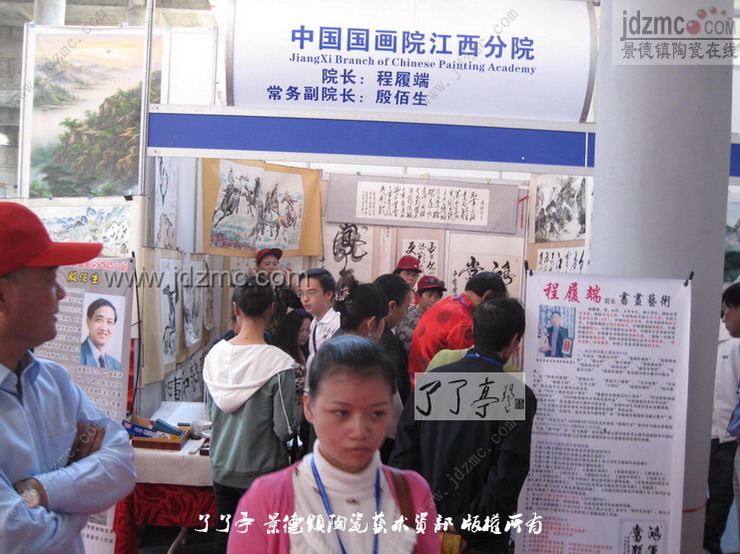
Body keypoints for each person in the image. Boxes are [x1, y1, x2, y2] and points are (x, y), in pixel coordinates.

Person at [0, 202, 135, 553]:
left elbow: (121, 460)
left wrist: (40, 491)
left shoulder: (54, 382)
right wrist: (78, 505)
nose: (61, 293)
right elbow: (12, 534)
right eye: (49, 280)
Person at [227, 336, 440, 553]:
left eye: (377, 413)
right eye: (341, 412)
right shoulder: (267, 500)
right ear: (309, 408)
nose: (359, 431)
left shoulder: (413, 494)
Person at [391, 297, 537, 554]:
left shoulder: (430, 383)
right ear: (514, 341)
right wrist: (464, 526)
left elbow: (403, 458)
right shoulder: (516, 394)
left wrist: (426, 518)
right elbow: (507, 475)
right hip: (482, 540)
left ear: (475, 331)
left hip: (426, 532)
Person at [203, 275, 297, 554]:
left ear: (236, 308)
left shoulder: (214, 355)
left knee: (225, 538)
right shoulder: (279, 364)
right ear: (272, 310)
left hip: (222, 466)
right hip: (264, 472)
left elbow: (209, 413)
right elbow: (284, 429)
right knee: (261, 543)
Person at [408, 271, 507, 380]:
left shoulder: (449, 302)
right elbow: (467, 367)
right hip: (433, 384)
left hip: (417, 379)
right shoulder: (464, 324)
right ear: (487, 295)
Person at [704, 283, 740, 554]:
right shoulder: (705, 337)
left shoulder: (734, 342)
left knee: (720, 499)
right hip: (703, 435)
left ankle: (710, 545)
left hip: (727, 437)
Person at [373, 273, 413, 405]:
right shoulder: (388, 345)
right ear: (392, 307)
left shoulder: (349, 331)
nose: (405, 314)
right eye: (406, 308)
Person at [299, 268, 340, 371]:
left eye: (311, 293)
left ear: (328, 294)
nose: (305, 299)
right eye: (301, 293)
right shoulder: (314, 322)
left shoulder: (338, 322)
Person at [255, 247, 302, 336]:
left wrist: (294, 287)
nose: (272, 267)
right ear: (258, 267)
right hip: (258, 335)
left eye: (275, 264)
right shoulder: (251, 287)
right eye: (267, 264)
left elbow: (301, 306)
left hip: (280, 337)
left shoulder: (281, 287)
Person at [396, 275, 446, 355]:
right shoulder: (406, 314)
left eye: (436, 297)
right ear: (419, 295)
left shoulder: (442, 319)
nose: (433, 300)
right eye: (429, 295)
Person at [80, 298, 122, 370]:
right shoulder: (76, 357)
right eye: (99, 320)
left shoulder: (117, 366)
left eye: (109, 322)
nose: (104, 328)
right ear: (88, 322)